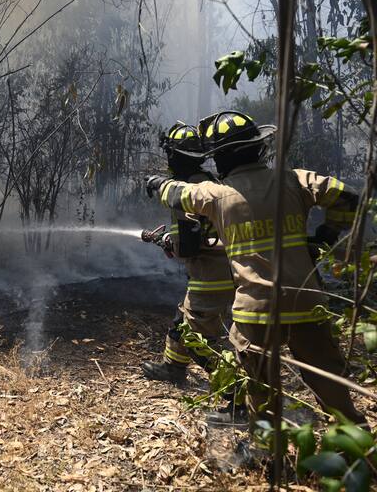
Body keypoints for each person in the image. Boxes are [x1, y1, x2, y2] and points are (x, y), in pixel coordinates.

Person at [145, 110, 366, 425]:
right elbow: (348, 196)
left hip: (257, 310)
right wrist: (324, 236)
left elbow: (179, 195)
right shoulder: (295, 179)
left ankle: (263, 448)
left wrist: (157, 183)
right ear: (257, 146)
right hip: (307, 302)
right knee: (330, 384)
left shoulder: (218, 194)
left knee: (260, 389)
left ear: (220, 157)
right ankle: (356, 449)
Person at [141, 122, 235, 387]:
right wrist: (171, 238)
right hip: (221, 268)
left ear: (172, 156)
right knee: (181, 319)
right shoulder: (208, 183)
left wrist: (167, 242)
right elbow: (202, 233)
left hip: (211, 276)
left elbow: (189, 248)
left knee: (200, 340)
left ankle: (234, 388)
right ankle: (173, 368)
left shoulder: (182, 193)